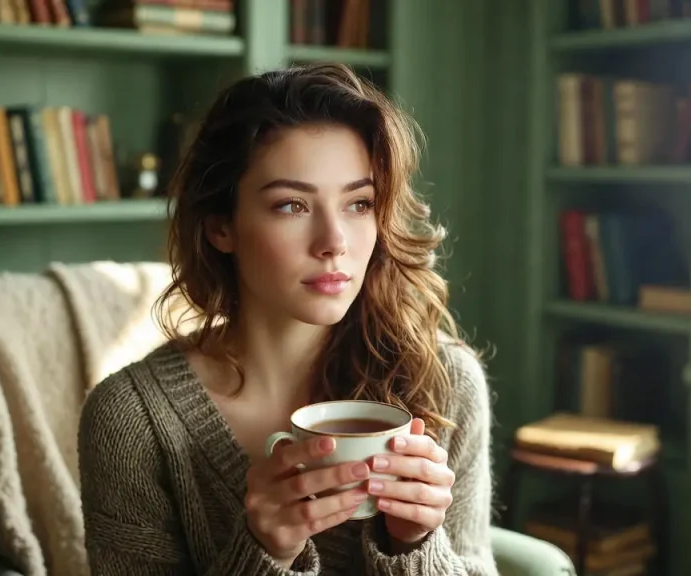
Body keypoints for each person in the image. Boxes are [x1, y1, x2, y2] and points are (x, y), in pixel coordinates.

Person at [77, 62, 498, 575]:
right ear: (220, 226)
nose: (334, 242)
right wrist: (264, 553)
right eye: (292, 205)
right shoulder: (130, 420)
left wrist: (416, 547)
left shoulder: (445, 382)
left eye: (359, 203)